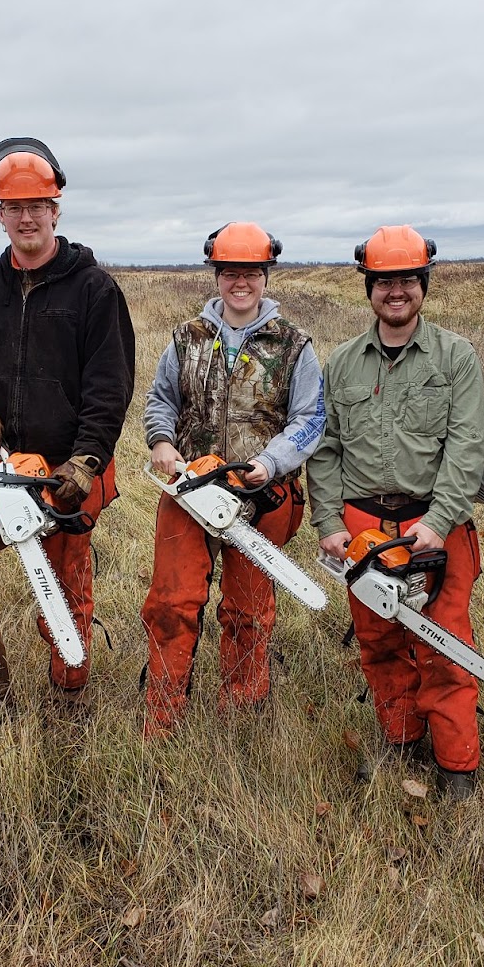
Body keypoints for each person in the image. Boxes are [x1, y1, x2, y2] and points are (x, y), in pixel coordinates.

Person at [0, 138, 135, 707]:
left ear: (56, 208)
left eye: (36, 206)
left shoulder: (94, 290)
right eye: (13, 207)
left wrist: (87, 460)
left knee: (64, 584)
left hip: (67, 460)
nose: (25, 217)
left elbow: (110, 388)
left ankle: (70, 690)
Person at [306, 226, 484, 798]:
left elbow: (466, 449)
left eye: (407, 280)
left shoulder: (455, 357)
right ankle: (401, 739)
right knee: (379, 640)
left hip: (435, 521)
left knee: (446, 644)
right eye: (384, 281)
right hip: (362, 522)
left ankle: (457, 764)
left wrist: (437, 524)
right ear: (369, 288)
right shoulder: (342, 363)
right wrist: (331, 523)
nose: (396, 292)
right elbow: (326, 447)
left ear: (423, 285)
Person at [140, 223, 325, 735]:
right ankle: (163, 713)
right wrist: (161, 441)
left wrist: (271, 462)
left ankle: (240, 714)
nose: (240, 282)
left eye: (250, 273)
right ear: (216, 275)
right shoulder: (186, 338)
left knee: (248, 609)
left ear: (265, 276)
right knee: (172, 602)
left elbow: (311, 418)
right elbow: (161, 400)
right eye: (229, 273)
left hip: (262, 494)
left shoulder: (293, 345)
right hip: (189, 488)